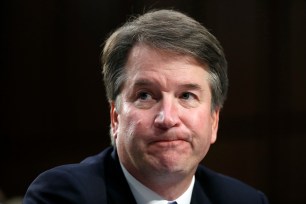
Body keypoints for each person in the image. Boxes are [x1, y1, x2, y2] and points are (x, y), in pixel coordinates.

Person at [23, 9, 269, 204]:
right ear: (115, 117)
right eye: (145, 96)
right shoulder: (63, 196)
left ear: (214, 121)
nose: (168, 118)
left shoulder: (244, 199)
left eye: (186, 96)